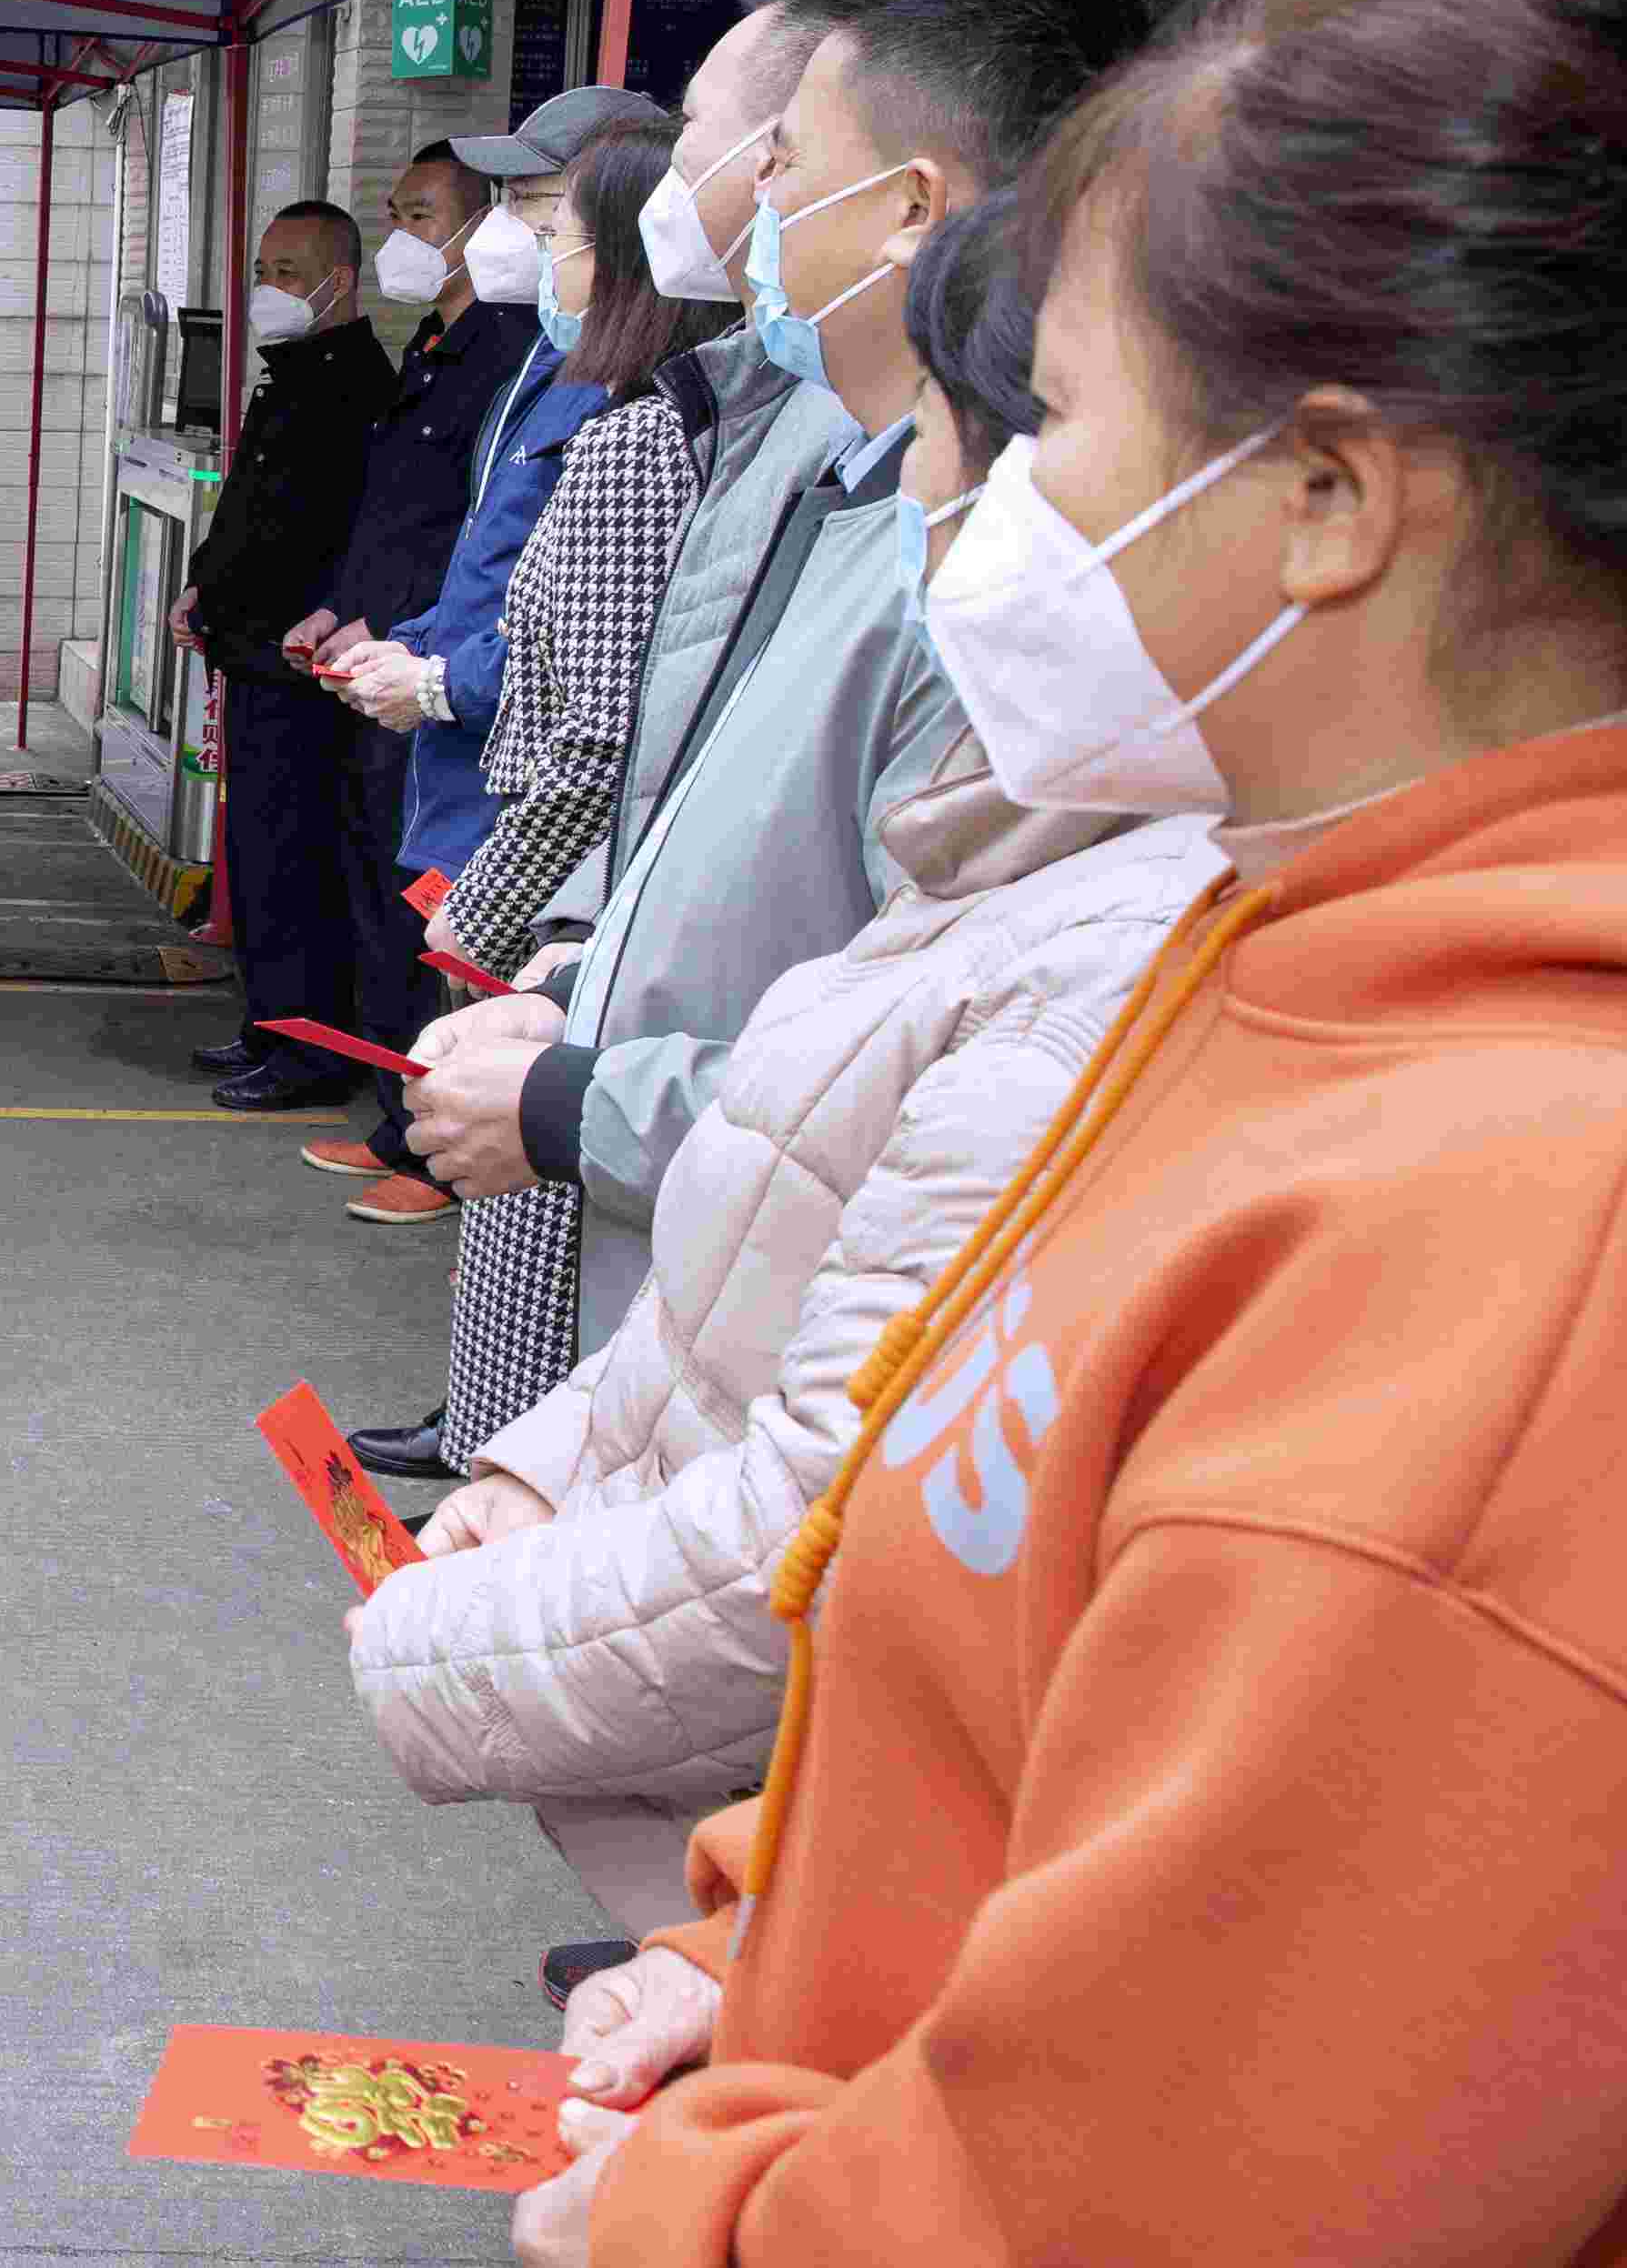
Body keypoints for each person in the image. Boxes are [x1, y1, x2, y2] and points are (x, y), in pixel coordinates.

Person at [545, 0, 1627, 2268]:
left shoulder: (1566, 1242)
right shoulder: (1296, 970)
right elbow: (1055, 1692)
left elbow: (1161, 2184)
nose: (988, 509)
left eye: (1054, 426)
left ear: (1333, 497)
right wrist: (751, 1960)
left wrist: (706, 2210)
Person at [342, 198, 1216, 1954]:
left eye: (1022, 435)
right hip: (804, 1852)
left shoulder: (1146, 930)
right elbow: (790, 1166)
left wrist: (439, 1637)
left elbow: (847, 1483)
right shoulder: (1002, 855)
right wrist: (548, 1464)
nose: (924, 505)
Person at [368, 0, 1149, 1483]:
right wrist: (596, 958)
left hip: (795, 1366)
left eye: (772, 158)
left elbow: (943, 1078)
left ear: (911, 208)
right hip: (686, 1291)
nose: (732, 204)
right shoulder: (793, 445)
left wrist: (590, 1084)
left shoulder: (1003, 575)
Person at [410, 119, 714, 1460]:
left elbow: (589, 738)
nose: (532, 248)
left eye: (555, 225)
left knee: (528, 1246)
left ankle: (503, 1493)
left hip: (563, 918)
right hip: (574, 897)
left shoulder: (634, 442)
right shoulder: (619, 411)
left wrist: (482, 919)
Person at [326, 89, 664, 985]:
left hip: (520, 810)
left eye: (539, 208)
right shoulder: (553, 361)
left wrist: (440, 680)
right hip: (460, 777)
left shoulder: (639, 400)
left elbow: (596, 663)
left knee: (477, 1051)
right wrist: (417, 643)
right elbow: (499, 561)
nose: (509, 233)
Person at [267, 141, 536, 1176]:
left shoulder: (513, 354)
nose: (401, 239)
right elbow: (390, 517)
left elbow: (473, 540)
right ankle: (398, 1121)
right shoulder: (431, 344)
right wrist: (345, 610)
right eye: (396, 214)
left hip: (436, 676)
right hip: (378, 658)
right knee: (376, 894)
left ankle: (432, 1143)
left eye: (421, 216)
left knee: (422, 910)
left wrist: (404, 643)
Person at [174, 200, 392, 1099]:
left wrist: (240, 611)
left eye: (289, 274)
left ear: (340, 282)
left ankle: (310, 1051)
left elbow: (317, 541)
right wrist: (202, 589)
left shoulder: (353, 388)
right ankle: (269, 1024)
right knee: (260, 858)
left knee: (297, 860)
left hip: (303, 668)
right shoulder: (293, 377)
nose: (269, 290)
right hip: (255, 653)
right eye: (263, 272)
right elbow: (245, 518)